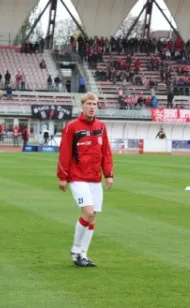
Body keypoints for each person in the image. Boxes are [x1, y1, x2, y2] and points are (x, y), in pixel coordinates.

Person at [57, 92, 114, 268]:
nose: (92, 107)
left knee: (92, 218)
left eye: (95, 104)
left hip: (95, 178)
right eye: (89, 103)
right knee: (88, 213)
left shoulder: (101, 126)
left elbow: (106, 152)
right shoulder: (72, 127)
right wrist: (62, 176)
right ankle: (75, 250)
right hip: (77, 177)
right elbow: (65, 152)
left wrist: (109, 174)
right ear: (82, 106)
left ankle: (83, 254)